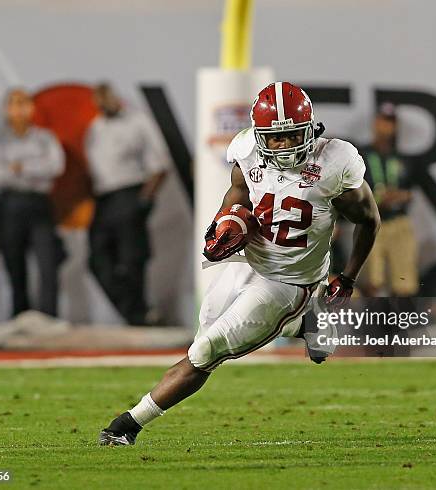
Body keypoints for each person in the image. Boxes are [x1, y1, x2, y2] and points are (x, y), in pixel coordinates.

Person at [98, 82, 380, 446]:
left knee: (205, 351)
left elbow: (369, 220)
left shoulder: (335, 163)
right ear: (259, 136)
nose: (284, 146)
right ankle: (306, 322)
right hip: (246, 262)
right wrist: (223, 224)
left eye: (293, 136)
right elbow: (238, 193)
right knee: (203, 339)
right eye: (274, 139)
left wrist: (349, 276)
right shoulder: (247, 150)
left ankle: (126, 426)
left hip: (289, 281)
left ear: (311, 130)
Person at [85, 83, 168, 326]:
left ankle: (139, 315)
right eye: (98, 99)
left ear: (117, 98)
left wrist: (144, 198)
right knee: (97, 259)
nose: (103, 103)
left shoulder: (137, 121)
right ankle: (137, 310)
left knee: (132, 258)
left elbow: (160, 163)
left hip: (131, 191)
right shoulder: (96, 127)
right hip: (104, 197)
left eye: (107, 97)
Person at [0, 89, 65, 318]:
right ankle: (20, 318)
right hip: (8, 204)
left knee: (48, 262)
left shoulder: (44, 138)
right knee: (14, 263)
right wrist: (34, 167)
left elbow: (55, 167)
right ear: (6, 109)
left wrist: (20, 167)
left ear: (31, 108)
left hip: (39, 203)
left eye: (23, 103)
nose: (19, 109)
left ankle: (49, 318)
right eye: (14, 104)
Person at [360, 103, 417, 297]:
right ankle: (372, 325)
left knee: (403, 283)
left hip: (398, 220)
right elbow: (353, 190)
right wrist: (377, 199)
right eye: (383, 121)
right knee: (372, 281)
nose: (386, 127)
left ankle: (399, 324)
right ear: (376, 123)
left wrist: (402, 196)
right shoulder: (363, 155)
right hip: (372, 221)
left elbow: (411, 191)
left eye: (390, 123)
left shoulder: (402, 158)